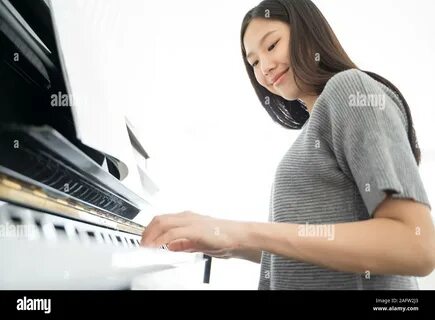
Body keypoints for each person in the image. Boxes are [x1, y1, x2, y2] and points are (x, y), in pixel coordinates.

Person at [141, 0, 435, 289]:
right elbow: (311, 251)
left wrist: (242, 233)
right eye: (254, 62)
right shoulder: (314, 127)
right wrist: (227, 243)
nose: (265, 67)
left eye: (271, 46)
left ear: (308, 32)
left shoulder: (349, 90)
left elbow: (416, 244)